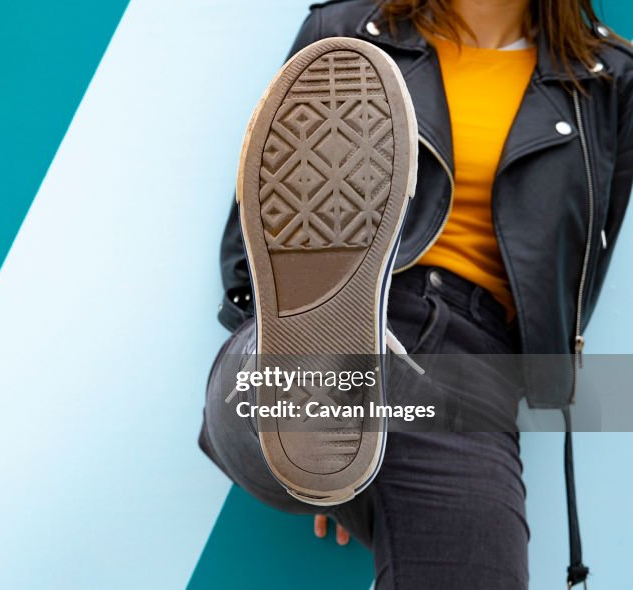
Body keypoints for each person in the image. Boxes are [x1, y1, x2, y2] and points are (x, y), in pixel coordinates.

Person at [198, 0, 633, 588]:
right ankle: (316, 393)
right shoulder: (349, 32)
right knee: (275, 380)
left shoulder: (609, 82)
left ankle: (331, 438)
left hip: (472, 373)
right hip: (349, 305)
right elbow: (256, 233)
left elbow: (581, 268)